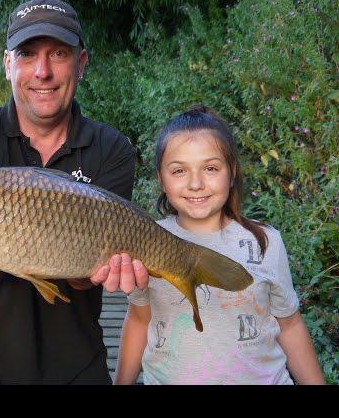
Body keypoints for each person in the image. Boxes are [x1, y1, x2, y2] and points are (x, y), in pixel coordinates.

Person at [0, 0, 149, 384]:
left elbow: (83, 276)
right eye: (27, 54)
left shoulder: (111, 149)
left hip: (78, 368)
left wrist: (100, 268)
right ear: (8, 64)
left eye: (58, 53)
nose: (42, 71)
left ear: (81, 63)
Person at [114, 104, 325, 385]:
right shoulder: (144, 239)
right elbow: (139, 321)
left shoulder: (264, 242)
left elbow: (290, 324)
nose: (196, 183)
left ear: (232, 171)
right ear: (161, 179)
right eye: (179, 171)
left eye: (211, 168)